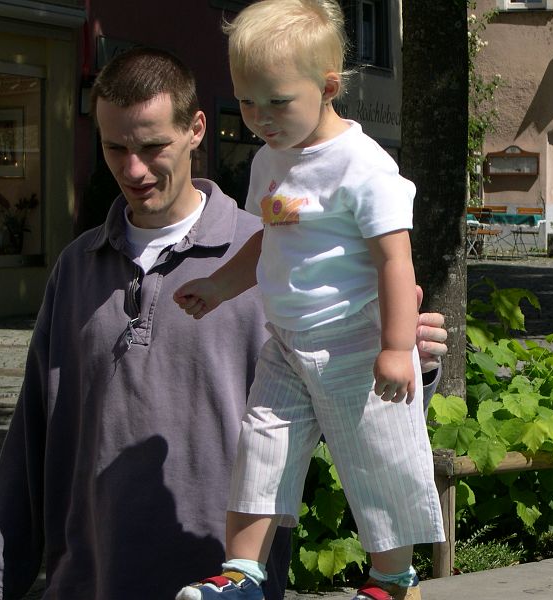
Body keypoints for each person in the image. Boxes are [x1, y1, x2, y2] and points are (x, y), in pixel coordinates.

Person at [0, 47, 448, 600]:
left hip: (222, 583)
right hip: (88, 583)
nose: (133, 169)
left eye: (153, 147)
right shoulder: (77, 265)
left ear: (196, 129)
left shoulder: (288, 252)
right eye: (115, 148)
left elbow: (349, 412)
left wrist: (409, 357)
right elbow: (33, 433)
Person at [174, 2, 444, 599]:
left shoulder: (363, 165)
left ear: (327, 88)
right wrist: (219, 286)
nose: (260, 118)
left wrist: (396, 347)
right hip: (287, 342)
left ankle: (392, 579)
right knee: (260, 446)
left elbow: (395, 260)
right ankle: (241, 574)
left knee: (378, 457)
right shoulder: (269, 160)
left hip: (358, 339)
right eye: (247, 102)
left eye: (277, 102)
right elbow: (267, 239)